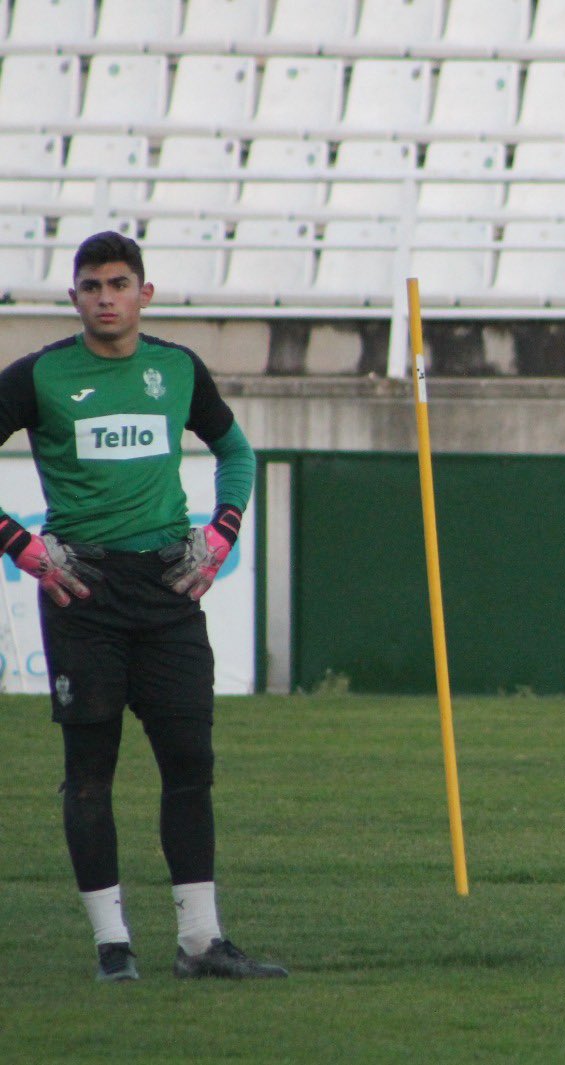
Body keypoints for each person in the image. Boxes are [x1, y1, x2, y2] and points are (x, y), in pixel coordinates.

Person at [0, 231, 286, 982]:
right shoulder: (38, 376)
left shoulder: (177, 368)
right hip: (82, 589)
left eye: (119, 283)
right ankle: (111, 946)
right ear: (73, 297)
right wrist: (20, 544)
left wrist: (221, 533)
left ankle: (201, 942)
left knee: (189, 762)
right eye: (91, 285)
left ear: (144, 293)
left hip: (167, 589)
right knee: (90, 770)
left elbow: (236, 453)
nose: (105, 297)